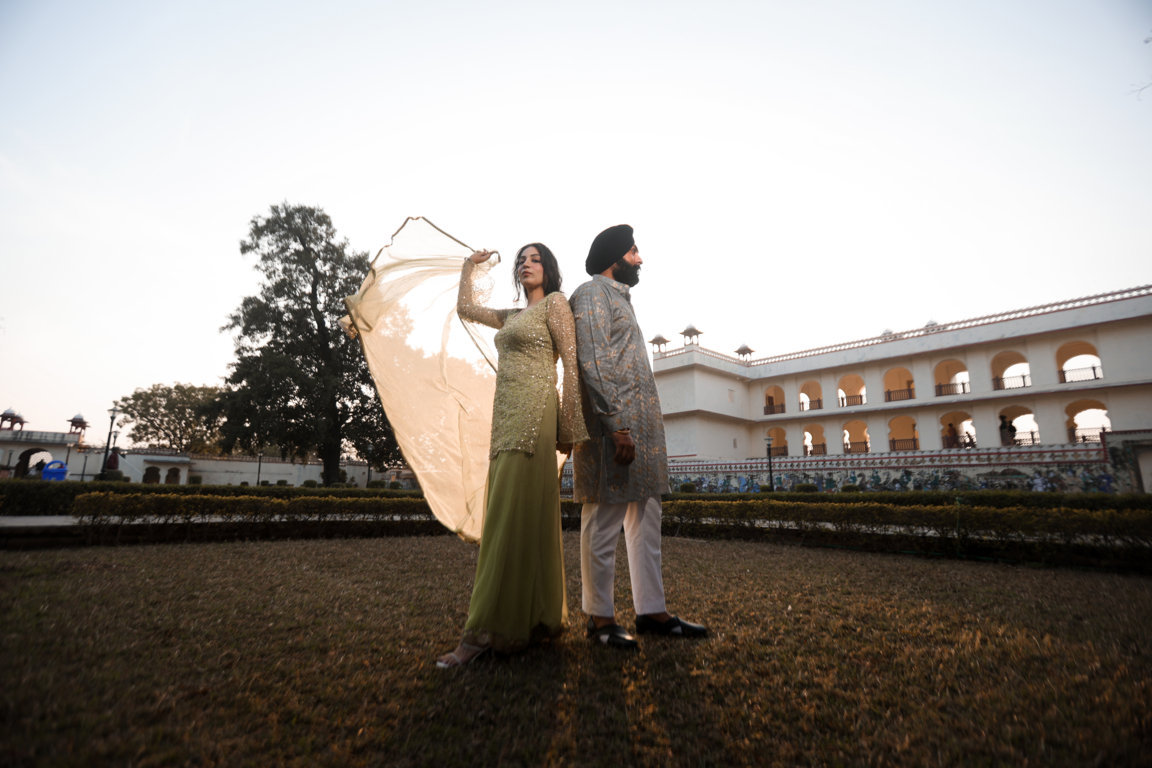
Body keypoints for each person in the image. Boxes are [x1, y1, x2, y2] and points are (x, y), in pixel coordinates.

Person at [436, 243, 590, 668]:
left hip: (535, 415)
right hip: (504, 417)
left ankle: (481, 633)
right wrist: (469, 266)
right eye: (521, 260)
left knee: (508, 516)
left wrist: (568, 427)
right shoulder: (511, 317)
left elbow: (571, 365)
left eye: (535, 259)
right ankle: (534, 620)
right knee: (517, 513)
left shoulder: (556, 305)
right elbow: (466, 309)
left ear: (550, 268)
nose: (526, 264)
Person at [569, 224, 708, 650]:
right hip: (616, 433)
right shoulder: (592, 295)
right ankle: (599, 618)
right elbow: (594, 361)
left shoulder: (621, 301)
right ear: (614, 258)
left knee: (646, 522)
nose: (640, 259)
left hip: (642, 435)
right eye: (633, 252)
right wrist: (618, 425)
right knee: (605, 520)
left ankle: (652, 612)